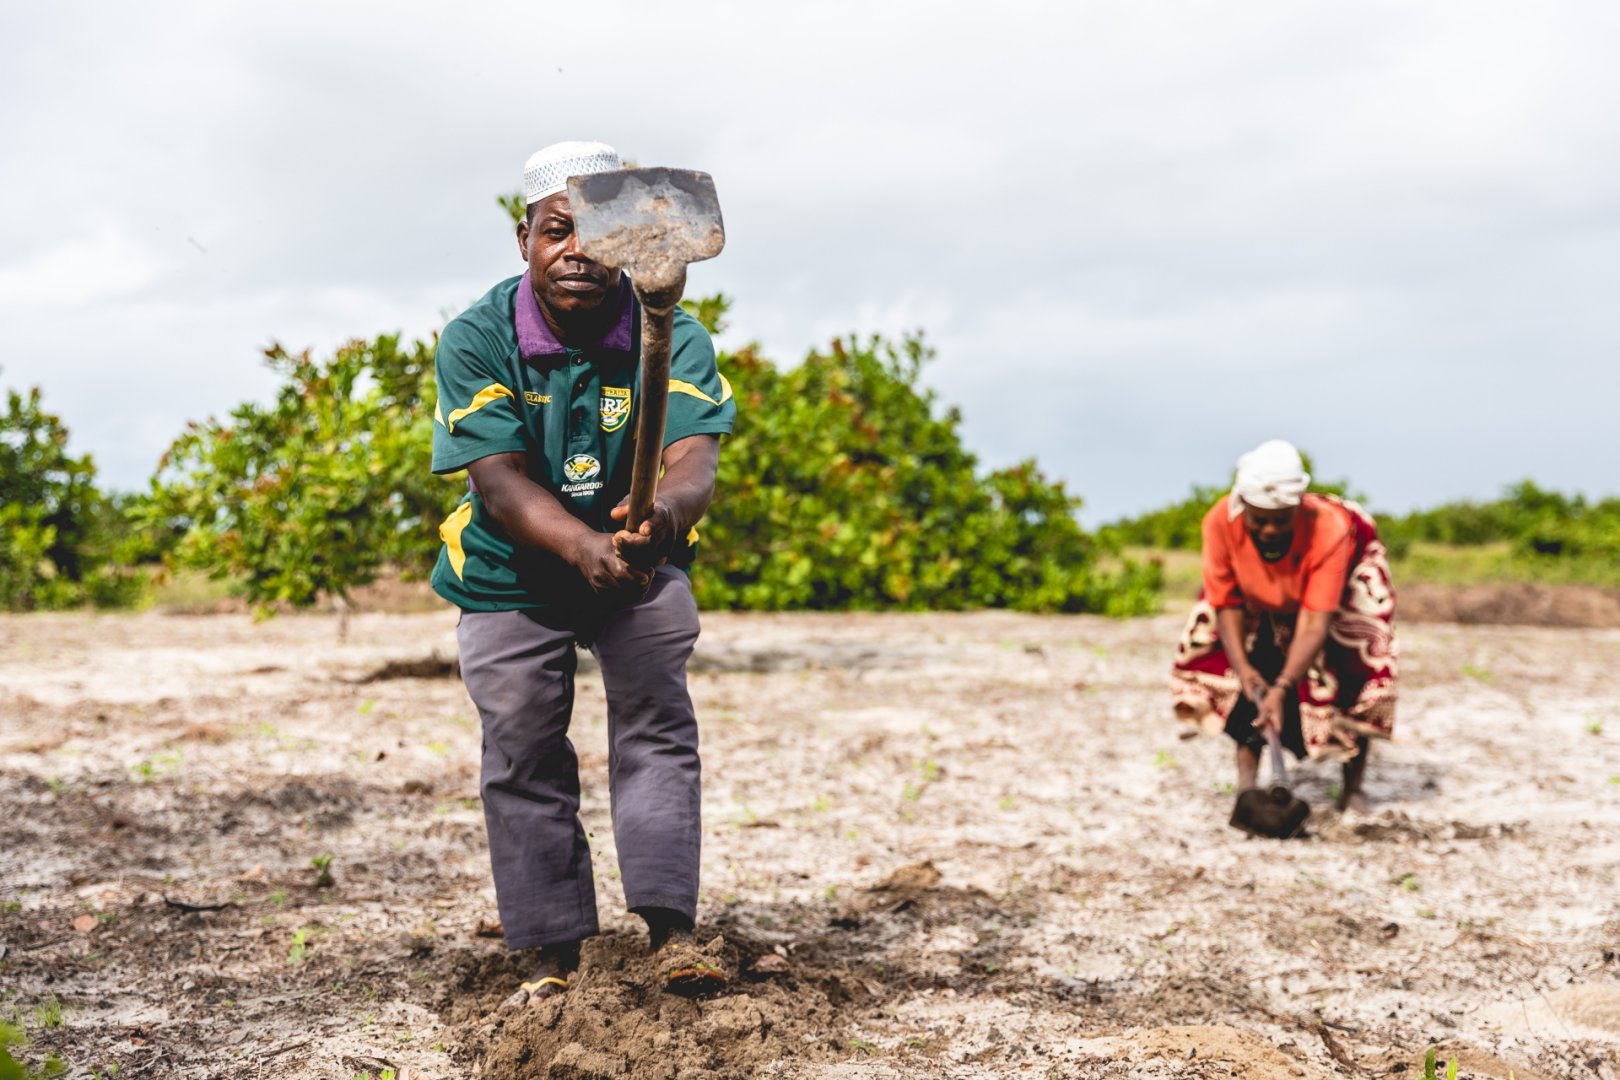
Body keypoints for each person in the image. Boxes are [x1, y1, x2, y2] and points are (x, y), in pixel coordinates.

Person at [429, 141, 735, 1003]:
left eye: (594, 236)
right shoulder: (479, 336)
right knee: (522, 747)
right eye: (554, 232)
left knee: (656, 725)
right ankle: (553, 953)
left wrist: (660, 521)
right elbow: (498, 481)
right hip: (510, 574)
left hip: (637, 564)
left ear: (629, 243)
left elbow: (694, 460)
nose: (575, 252)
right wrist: (583, 547)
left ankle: (672, 932)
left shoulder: (672, 331)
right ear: (523, 237)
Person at [1170, 440, 1397, 813]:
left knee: (1352, 666)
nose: (1271, 529)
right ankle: (1247, 788)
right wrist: (1245, 670)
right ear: (1242, 509)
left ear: (1298, 508)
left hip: (1337, 591)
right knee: (1248, 672)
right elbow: (1227, 605)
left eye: (1281, 519)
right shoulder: (1219, 523)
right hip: (1259, 592)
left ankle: (1352, 788)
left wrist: (1284, 685)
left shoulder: (1330, 528)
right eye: (1259, 520)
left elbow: (1314, 620)